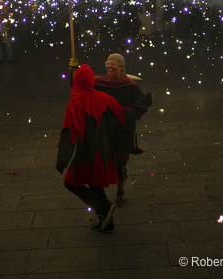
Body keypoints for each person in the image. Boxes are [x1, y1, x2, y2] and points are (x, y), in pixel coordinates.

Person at [56, 64, 152, 233]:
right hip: (105, 151)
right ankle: (107, 222)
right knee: (94, 184)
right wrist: (144, 102)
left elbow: (69, 132)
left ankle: (104, 207)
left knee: (70, 183)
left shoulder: (75, 102)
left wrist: (62, 160)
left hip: (86, 154)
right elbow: (124, 114)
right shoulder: (104, 97)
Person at [94, 53, 146, 207]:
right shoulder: (99, 82)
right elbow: (80, 87)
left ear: (121, 67)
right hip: (102, 130)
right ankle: (101, 195)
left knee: (120, 164)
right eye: (107, 62)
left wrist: (131, 115)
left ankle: (120, 191)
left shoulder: (129, 86)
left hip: (122, 132)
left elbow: (140, 104)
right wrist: (73, 72)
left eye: (113, 63)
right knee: (100, 163)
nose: (109, 66)